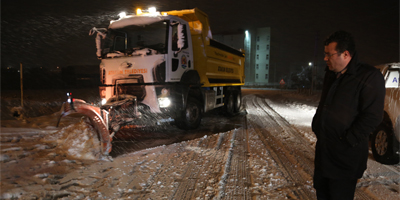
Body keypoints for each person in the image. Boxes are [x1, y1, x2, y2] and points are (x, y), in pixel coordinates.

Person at [311, 30, 385, 200]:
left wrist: (347, 140)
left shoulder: (369, 76)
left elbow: (373, 116)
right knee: (322, 194)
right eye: (325, 54)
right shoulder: (331, 74)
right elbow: (325, 104)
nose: (325, 58)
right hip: (324, 154)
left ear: (345, 54)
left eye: (329, 54)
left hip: (345, 159)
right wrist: (318, 124)